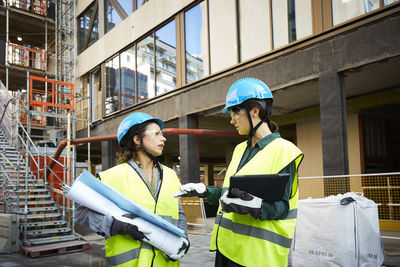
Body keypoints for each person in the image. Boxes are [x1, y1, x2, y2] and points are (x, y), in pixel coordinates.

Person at [177, 78, 304, 267]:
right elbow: (231, 194)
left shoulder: (284, 151)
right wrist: (204, 191)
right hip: (226, 250)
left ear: (255, 110)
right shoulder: (239, 150)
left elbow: (283, 207)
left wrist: (257, 206)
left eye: (235, 111)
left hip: (255, 257)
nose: (231, 119)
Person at [75, 112, 189, 266]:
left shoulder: (170, 175)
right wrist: (114, 225)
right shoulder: (112, 177)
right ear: (137, 139)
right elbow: (81, 212)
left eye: (162, 134)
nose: (163, 138)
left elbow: (179, 213)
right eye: (156, 133)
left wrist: (183, 238)